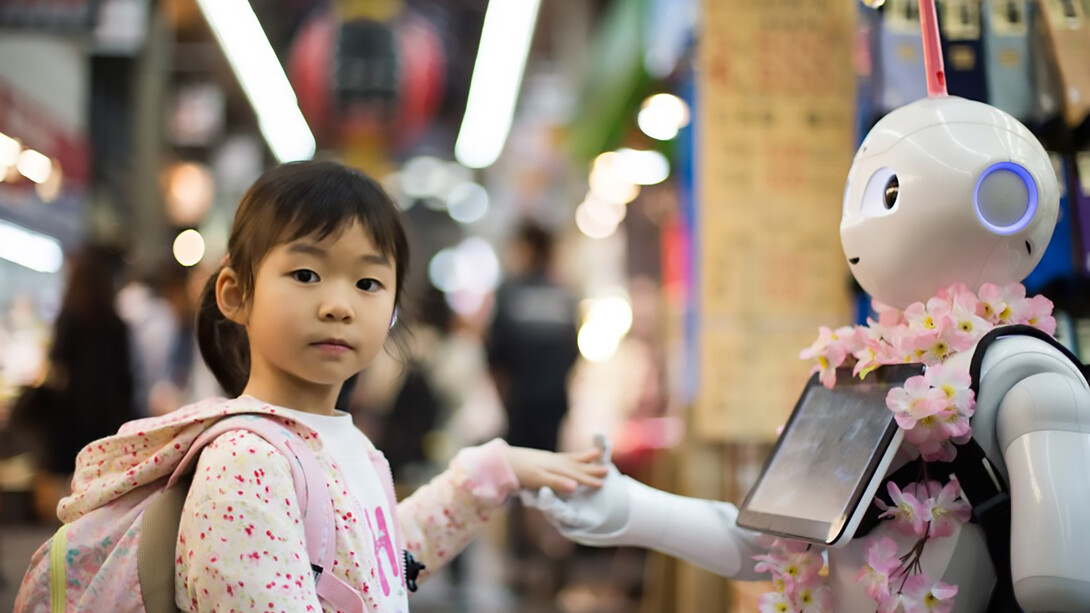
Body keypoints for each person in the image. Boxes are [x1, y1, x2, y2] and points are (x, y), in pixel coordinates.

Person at [48, 160, 607, 613]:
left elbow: (375, 566)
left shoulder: (342, 444)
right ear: (235, 294)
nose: (338, 305)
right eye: (306, 274)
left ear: (390, 310)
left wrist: (495, 471)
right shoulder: (245, 463)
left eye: (367, 282)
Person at [11, 246, 137, 519]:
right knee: (101, 476)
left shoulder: (69, 318)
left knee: (67, 477)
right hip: (108, 413)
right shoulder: (117, 323)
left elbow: (57, 362)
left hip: (71, 412)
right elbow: (126, 374)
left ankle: (66, 528)